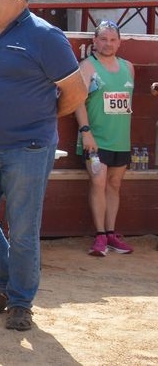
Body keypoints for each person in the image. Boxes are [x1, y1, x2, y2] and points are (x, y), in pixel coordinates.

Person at [0, 0, 86, 332]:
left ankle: (19, 303)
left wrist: (41, 118)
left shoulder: (46, 36)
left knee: (23, 229)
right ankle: (6, 286)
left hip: (29, 148)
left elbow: (75, 92)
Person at [73, 20, 135, 256]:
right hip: (95, 138)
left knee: (114, 184)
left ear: (119, 42)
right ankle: (100, 235)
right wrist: (86, 131)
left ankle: (111, 234)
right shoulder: (88, 66)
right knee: (98, 182)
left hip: (120, 139)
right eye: (103, 39)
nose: (108, 44)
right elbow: (78, 102)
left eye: (112, 39)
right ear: (94, 41)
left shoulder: (128, 67)